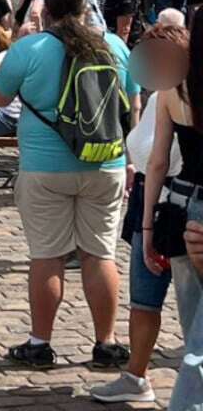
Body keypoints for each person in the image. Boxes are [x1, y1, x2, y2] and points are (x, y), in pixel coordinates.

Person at [0, 0, 140, 369]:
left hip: (44, 166)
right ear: (87, 4)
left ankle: (40, 343)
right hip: (106, 160)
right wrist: (129, 158)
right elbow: (132, 107)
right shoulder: (115, 46)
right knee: (99, 254)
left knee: (47, 257)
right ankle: (106, 342)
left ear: (48, 8)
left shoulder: (31, 48)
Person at [91, 25, 184, 404]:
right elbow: (149, 154)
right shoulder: (161, 94)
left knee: (188, 303)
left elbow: (163, 160)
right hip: (150, 196)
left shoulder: (181, 95)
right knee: (144, 298)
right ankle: (136, 374)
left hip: (175, 200)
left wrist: (148, 222)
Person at [141, 17, 203, 407]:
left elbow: (158, 162)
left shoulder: (173, 87)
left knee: (193, 325)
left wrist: (147, 225)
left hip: (182, 204)